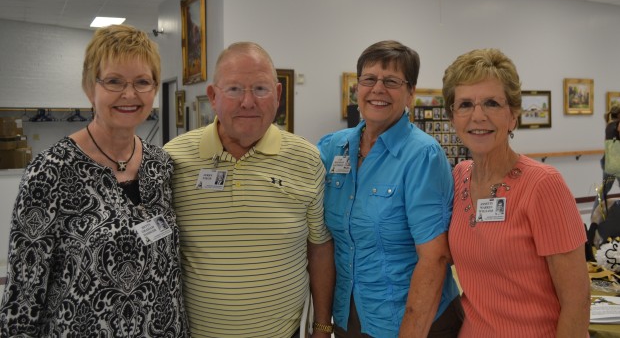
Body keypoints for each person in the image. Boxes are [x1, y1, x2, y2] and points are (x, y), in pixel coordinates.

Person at [0, 24, 189, 337]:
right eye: (114, 81)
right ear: (90, 87)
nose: (130, 94)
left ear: (154, 89)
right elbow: (24, 295)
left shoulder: (160, 165)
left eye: (142, 82)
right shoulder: (50, 171)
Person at [164, 42, 335, 338]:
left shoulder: (307, 160)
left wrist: (321, 326)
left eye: (260, 89)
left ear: (278, 95)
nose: (247, 102)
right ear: (213, 97)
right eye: (233, 90)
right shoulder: (173, 159)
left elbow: (319, 248)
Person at [318, 40, 462, 338]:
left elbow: (434, 257)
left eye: (392, 81)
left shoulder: (423, 156)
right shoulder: (333, 147)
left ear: (410, 93)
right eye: (369, 79)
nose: (378, 89)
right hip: (349, 316)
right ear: (357, 88)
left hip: (412, 322)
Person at [442, 48, 590, 337]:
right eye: (465, 104)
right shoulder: (459, 176)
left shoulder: (543, 184)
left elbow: (577, 302)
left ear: (513, 116)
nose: (478, 116)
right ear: (452, 117)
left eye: (492, 103)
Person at [592, 105, 620, 216]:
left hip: (608, 163)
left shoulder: (608, 125)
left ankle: (594, 214)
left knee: (603, 191)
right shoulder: (618, 125)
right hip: (618, 164)